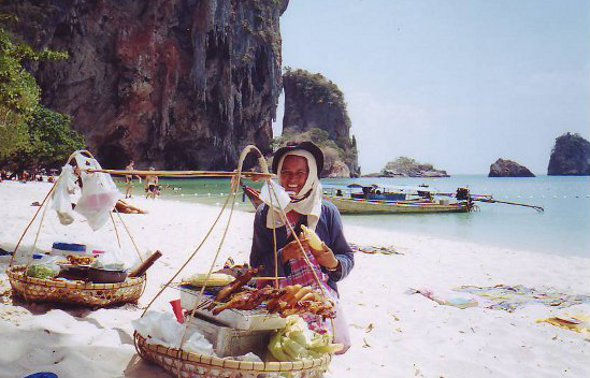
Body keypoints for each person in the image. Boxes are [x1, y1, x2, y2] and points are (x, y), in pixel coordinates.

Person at [250, 141, 353, 352]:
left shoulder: (326, 212)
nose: (293, 180)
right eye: (286, 173)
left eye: (300, 173)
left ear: (311, 174)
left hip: (317, 294)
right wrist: (283, 256)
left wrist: (333, 263)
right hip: (277, 292)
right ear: (278, 174)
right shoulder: (266, 213)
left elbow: (346, 257)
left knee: (332, 343)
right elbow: (256, 265)